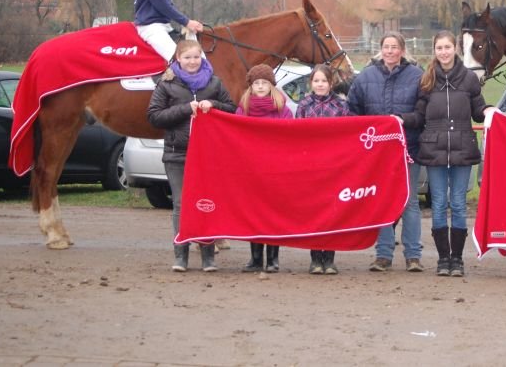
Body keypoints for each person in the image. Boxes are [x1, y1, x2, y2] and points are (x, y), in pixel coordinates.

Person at [399, 31, 494, 277]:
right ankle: (443, 259)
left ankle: (457, 259)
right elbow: (419, 115)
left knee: (459, 204)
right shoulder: (427, 79)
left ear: (455, 49)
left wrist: (489, 110)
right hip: (434, 149)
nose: (443, 52)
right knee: (439, 203)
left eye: (447, 47)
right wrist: (400, 119)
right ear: (435, 50)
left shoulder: (470, 79)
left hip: (462, 148)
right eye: (439, 48)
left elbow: (477, 110)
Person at [146, 39, 237, 272]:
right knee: (180, 204)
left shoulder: (214, 82)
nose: (192, 61)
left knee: (206, 203)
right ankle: (181, 255)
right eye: (187, 57)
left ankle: (208, 256)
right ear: (178, 58)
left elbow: (231, 108)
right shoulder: (166, 83)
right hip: (177, 153)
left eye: (196, 57)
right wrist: (186, 108)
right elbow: (154, 116)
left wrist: (213, 104)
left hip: (208, 154)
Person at [347, 31, 425, 273]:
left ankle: (413, 255)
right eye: (386, 47)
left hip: (407, 148)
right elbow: (352, 111)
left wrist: (402, 119)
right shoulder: (365, 77)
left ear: (402, 50)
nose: (390, 51)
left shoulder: (417, 76)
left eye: (394, 47)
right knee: (381, 200)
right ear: (381, 50)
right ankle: (383, 254)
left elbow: (423, 113)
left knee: (409, 201)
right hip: (377, 152)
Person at [295, 64, 352, 275]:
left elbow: (347, 134)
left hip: (334, 165)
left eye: (324, 81)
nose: (320, 85)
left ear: (331, 83)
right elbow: (296, 135)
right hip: (311, 166)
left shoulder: (341, 106)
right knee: (314, 211)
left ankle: (329, 258)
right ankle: (315, 259)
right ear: (311, 83)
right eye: (316, 81)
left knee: (332, 211)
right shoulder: (303, 105)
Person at [237, 63, 293, 273]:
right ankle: (255, 258)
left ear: (271, 85)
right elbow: (236, 137)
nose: (260, 86)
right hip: (251, 169)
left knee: (273, 213)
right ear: (251, 86)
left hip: (275, 169)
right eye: (257, 83)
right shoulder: (243, 110)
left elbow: (289, 139)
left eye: (264, 82)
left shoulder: (283, 110)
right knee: (254, 213)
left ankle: (272, 259)